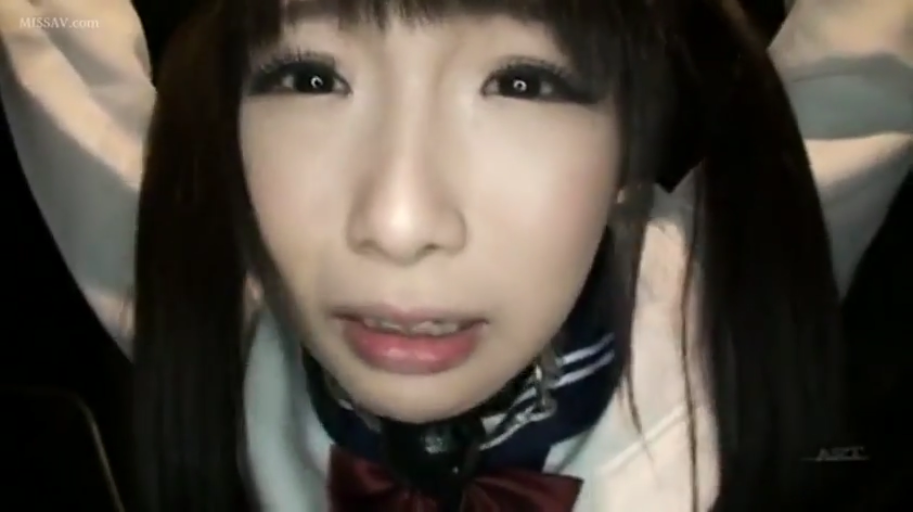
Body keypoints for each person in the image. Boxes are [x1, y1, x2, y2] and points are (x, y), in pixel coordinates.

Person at [1, 0, 911, 511]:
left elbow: (873, 49)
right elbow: (54, 47)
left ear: (630, 139)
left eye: (522, 81)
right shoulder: (212, 328)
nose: (398, 224)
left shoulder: (734, 301)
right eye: (310, 77)